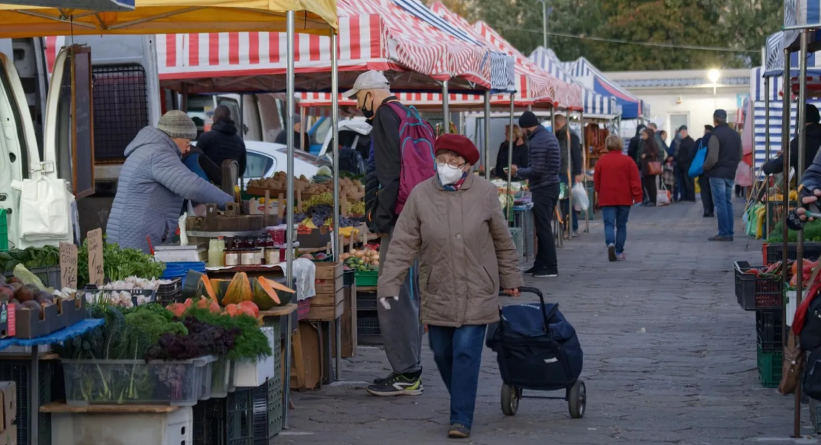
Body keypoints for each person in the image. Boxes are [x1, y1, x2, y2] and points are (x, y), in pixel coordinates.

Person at [377, 134, 523, 439]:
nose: (446, 166)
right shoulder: (420, 195)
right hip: (437, 287)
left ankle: (461, 418)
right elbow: (403, 243)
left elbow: (502, 240)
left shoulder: (484, 193)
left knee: (467, 352)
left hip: (478, 287)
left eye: (454, 161)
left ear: (468, 166)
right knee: (442, 352)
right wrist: (389, 284)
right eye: (441, 160)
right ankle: (461, 398)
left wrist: (510, 279)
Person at [345, 70, 425, 396]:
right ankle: (410, 368)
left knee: (391, 293)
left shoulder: (384, 118)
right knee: (407, 294)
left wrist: (379, 218)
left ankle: (406, 373)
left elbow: (390, 175)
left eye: (357, 98)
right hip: (415, 213)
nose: (357, 106)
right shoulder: (408, 112)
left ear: (369, 94)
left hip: (399, 219)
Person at [107, 111, 233, 253]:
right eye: (187, 142)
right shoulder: (159, 153)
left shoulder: (148, 149)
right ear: (175, 136)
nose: (188, 148)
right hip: (136, 239)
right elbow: (192, 187)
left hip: (130, 234)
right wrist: (230, 203)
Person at [512, 111, 561, 278]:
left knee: (544, 229)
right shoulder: (547, 136)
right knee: (542, 228)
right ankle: (540, 264)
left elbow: (537, 169)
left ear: (526, 127)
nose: (521, 133)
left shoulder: (539, 141)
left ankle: (550, 267)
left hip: (544, 188)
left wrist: (518, 171)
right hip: (551, 185)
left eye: (522, 129)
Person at [594, 135, 643, 261]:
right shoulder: (628, 161)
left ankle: (610, 243)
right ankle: (619, 251)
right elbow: (635, 181)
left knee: (609, 224)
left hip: (607, 197)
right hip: (624, 198)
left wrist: (599, 192)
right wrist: (637, 196)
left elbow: (596, 181)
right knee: (621, 225)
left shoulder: (601, 161)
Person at [703, 109, 742, 241]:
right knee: (727, 202)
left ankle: (724, 233)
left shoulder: (715, 135)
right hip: (730, 173)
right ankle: (729, 231)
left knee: (720, 204)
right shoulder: (736, 135)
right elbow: (740, 155)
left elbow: (712, 157)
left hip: (717, 173)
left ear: (714, 120)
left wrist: (704, 167)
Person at [763, 104, 821, 177]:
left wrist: (766, 166)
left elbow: (777, 165)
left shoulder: (800, 142)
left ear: (800, 119)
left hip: (808, 185)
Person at [197, 105, 247, 176]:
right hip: (230, 185)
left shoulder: (205, 137)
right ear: (230, 118)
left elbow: (196, 161)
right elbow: (241, 170)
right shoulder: (239, 141)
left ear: (214, 119)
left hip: (207, 184)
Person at [555, 114, 582, 237]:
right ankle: (568, 227)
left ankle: (572, 227)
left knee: (567, 201)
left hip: (567, 172)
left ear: (558, 124)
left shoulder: (569, 135)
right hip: (562, 170)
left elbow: (576, 155)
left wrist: (577, 172)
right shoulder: (562, 134)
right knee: (564, 201)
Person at [694, 125, 715, 217]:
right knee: (712, 190)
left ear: (705, 131)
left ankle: (707, 210)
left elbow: (692, 153)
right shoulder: (715, 140)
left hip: (702, 169)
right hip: (713, 169)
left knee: (704, 190)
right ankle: (712, 210)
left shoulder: (700, 141)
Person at [639, 127, 663, 207]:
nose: (643, 136)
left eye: (644, 135)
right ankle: (650, 199)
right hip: (645, 165)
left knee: (651, 183)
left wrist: (646, 155)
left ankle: (653, 200)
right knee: (647, 183)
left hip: (651, 165)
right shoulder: (644, 142)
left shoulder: (652, 142)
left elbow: (656, 152)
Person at [674, 126, 696, 202]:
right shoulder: (683, 141)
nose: (679, 135)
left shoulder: (689, 141)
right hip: (682, 165)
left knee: (688, 181)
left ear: (684, 132)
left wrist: (682, 159)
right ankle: (684, 196)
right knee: (683, 181)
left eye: (680, 133)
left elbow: (690, 154)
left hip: (687, 165)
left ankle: (690, 197)